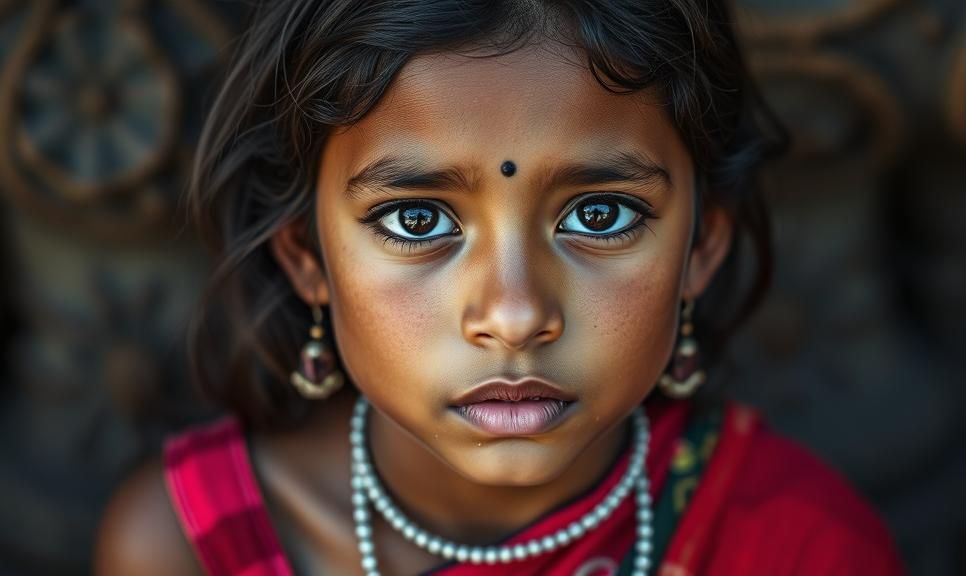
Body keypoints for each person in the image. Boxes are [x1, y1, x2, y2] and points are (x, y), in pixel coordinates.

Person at [94, 1, 907, 574]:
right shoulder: (187, 545)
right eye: (417, 222)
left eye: (598, 213)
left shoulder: (801, 546)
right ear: (307, 256)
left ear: (700, 246)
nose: (515, 316)